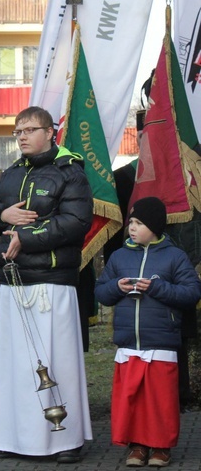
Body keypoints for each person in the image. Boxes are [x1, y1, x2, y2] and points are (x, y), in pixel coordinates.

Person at [0, 106, 93, 463]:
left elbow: (75, 222)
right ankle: (8, 436)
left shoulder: (70, 173)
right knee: (10, 363)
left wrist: (24, 237)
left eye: (30, 129)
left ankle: (65, 440)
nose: (23, 136)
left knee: (56, 362)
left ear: (50, 132)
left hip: (53, 283)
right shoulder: (12, 174)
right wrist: (2, 215)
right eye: (18, 131)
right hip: (15, 281)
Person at [95, 197, 201, 468]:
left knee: (160, 401)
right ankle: (138, 446)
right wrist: (116, 287)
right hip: (129, 345)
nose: (131, 227)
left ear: (154, 226)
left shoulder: (174, 256)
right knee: (133, 399)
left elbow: (191, 293)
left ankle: (161, 447)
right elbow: (101, 292)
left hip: (161, 343)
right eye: (131, 222)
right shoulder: (119, 257)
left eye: (138, 223)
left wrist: (156, 288)